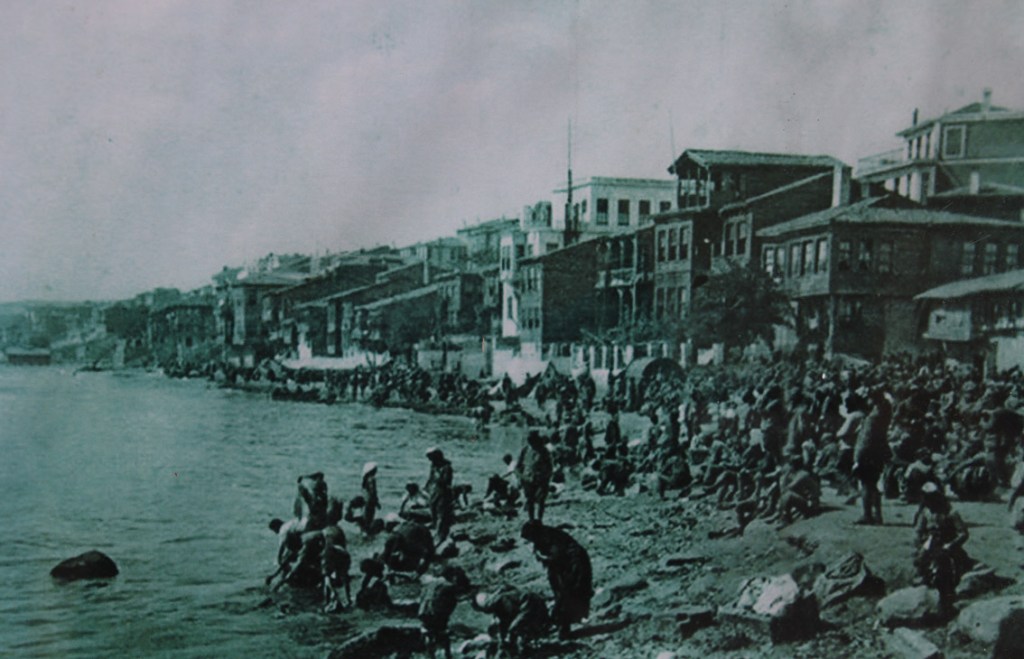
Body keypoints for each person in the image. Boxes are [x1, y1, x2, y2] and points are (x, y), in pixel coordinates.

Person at [520, 520, 593, 639]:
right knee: (562, 594)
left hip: (575, 565)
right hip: (564, 566)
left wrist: (543, 557)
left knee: (568, 594)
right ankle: (562, 626)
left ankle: (564, 628)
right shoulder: (544, 538)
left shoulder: (552, 537)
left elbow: (556, 557)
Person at [913, 482, 972, 619]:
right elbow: (918, 531)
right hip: (929, 545)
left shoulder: (951, 513)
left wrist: (951, 545)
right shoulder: (925, 513)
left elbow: (963, 533)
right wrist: (921, 543)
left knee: (945, 569)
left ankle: (948, 596)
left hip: (947, 546)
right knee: (919, 564)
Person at [471, 586, 551, 655]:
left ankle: (527, 645)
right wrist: (503, 638)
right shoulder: (500, 598)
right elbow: (504, 621)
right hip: (535, 603)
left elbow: (511, 616)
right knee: (515, 628)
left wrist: (508, 637)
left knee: (514, 628)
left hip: (529, 605)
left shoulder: (498, 601)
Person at [853, 389, 892, 525]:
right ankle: (878, 515)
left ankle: (867, 515)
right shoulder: (883, 415)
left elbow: (865, 440)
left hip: (867, 454)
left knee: (866, 485)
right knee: (873, 485)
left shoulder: (872, 418)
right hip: (878, 453)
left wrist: (857, 457)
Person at [418, 566, 471, 659]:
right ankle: (447, 655)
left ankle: (430, 655)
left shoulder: (430, 583)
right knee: (443, 633)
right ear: (450, 575)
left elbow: (422, 597)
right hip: (437, 614)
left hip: (423, 612)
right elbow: (457, 597)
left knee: (429, 632)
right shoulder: (448, 586)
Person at [517, 430, 553, 522]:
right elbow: (518, 467)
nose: (530, 442)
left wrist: (546, 479)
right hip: (527, 479)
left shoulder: (544, 451)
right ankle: (531, 520)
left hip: (541, 479)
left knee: (541, 501)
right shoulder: (525, 450)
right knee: (530, 501)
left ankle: (540, 519)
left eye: (532, 440)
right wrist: (520, 478)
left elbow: (549, 467)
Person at [425, 447, 455, 543]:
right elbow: (431, 478)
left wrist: (438, 477)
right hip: (435, 491)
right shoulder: (434, 466)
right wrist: (426, 487)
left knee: (441, 512)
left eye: (431, 457)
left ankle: (440, 533)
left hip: (444, 492)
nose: (430, 460)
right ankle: (435, 527)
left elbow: (446, 481)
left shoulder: (446, 467)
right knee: (433, 508)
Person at [360, 462, 382, 536]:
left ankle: (364, 532)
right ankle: (368, 533)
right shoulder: (372, 479)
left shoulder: (365, 479)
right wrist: (377, 502)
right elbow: (373, 491)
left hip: (365, 500)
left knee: (365, 517)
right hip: (370, 501)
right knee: (370, 518)